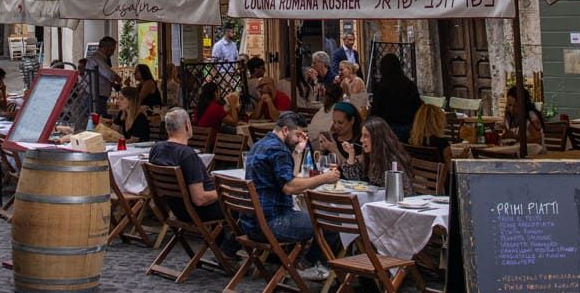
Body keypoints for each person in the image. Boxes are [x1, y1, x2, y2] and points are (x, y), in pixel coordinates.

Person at [244, 112, 340, 281]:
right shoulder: (278, 150)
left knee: (318, 218)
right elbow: (290, 187)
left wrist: (297, 151)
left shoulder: (260, 145)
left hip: (250, 223)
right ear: (285, 130)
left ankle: (307, 263)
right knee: (330, 222)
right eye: (298, 135)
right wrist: (324, 178)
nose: (299, 139)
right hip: (272, 222)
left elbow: (289, 176)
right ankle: (310, 265)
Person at [149, 108, 234, 254]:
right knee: (243, 205)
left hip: (175, 207)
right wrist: (224, 192)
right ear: (187, 126)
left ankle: (223, 249)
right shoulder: (187, 155)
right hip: (197, 210)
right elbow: (200, 199)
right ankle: (232, 249)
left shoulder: (157, 149)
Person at [340, 117, 412, 188]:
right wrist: (351, 154)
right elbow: (354, 179)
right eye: (362, 135)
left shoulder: (390, 160)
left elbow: (395, 190)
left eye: (366, 136)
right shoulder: (370, 156)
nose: (361, 140)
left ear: (377, 138)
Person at [369, 53, 422, 140]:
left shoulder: (381, 87)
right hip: (409, 128)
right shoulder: (409, 84)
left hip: (387, 129)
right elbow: (417, 106)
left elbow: (376, 111)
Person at [86, 35, 121, 117]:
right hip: (96, 96)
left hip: (100, 95)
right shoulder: (97, 58)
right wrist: (117, 78)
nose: (112, 53)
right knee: (99, 119)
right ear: (105, 48)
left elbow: (102, 77)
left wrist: (113, 84)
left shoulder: (101, 59)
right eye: (112, 50)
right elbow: (108, 74)